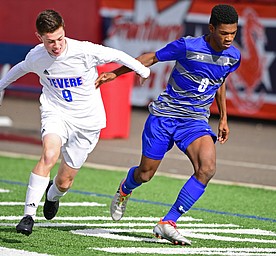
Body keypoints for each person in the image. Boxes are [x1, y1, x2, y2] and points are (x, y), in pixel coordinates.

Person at [96, 4, 240, 245]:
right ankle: (125, 188)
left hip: (194, 121)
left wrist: (223, 117)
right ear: (212, 28)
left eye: (233, 33)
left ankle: (168, 221)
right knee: (145, 174)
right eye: (224, 33)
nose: (228, 38)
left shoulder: (233, 56)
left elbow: (220, 80)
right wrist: (116, 73)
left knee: (207, 168)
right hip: (164, 117)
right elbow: (150, 57)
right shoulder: (188, 46)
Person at [0, 9, 150, 236]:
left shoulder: (84, 51)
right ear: (39, 37)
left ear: (64, 32)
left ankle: (53, 195)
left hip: (87, 122)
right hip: (56, 113)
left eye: (60, 38)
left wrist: (142, 70)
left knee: (64, 181)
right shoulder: (37, 56)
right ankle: (28, 216)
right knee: (49, 155)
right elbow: (19, 69)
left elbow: (118, 55)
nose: (57, 45)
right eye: (50, 41)